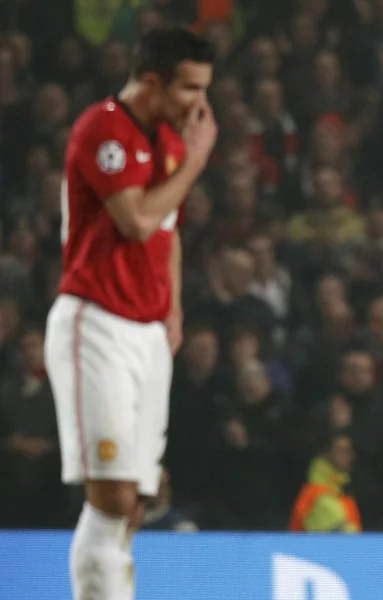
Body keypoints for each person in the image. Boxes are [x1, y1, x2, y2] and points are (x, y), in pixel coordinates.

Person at [44, 26, 217, 600]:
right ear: (152, 81)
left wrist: (174, 308)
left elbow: (166, 230)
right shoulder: (103, 129)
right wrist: (195, 162)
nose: (200, 104)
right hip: (98, 323)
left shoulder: (168, 141)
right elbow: (137, 219)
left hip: (147, 332)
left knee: (136, 503)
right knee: (112, 496)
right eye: (190, 87)